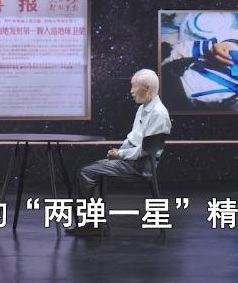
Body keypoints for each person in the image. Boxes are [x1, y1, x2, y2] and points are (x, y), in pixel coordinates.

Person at [67, 69, 171, 236]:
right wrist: (119, 151)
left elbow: (145, 150)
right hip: (131, 160)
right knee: (86, 171)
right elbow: (134, 138)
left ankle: (94, 224)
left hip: (140, 166)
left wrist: (120, 154)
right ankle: (95, 222)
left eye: (134, 86)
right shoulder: (144, 108)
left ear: (147, 88)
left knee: (85, 173)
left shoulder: (158, 113)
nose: (131, 91)